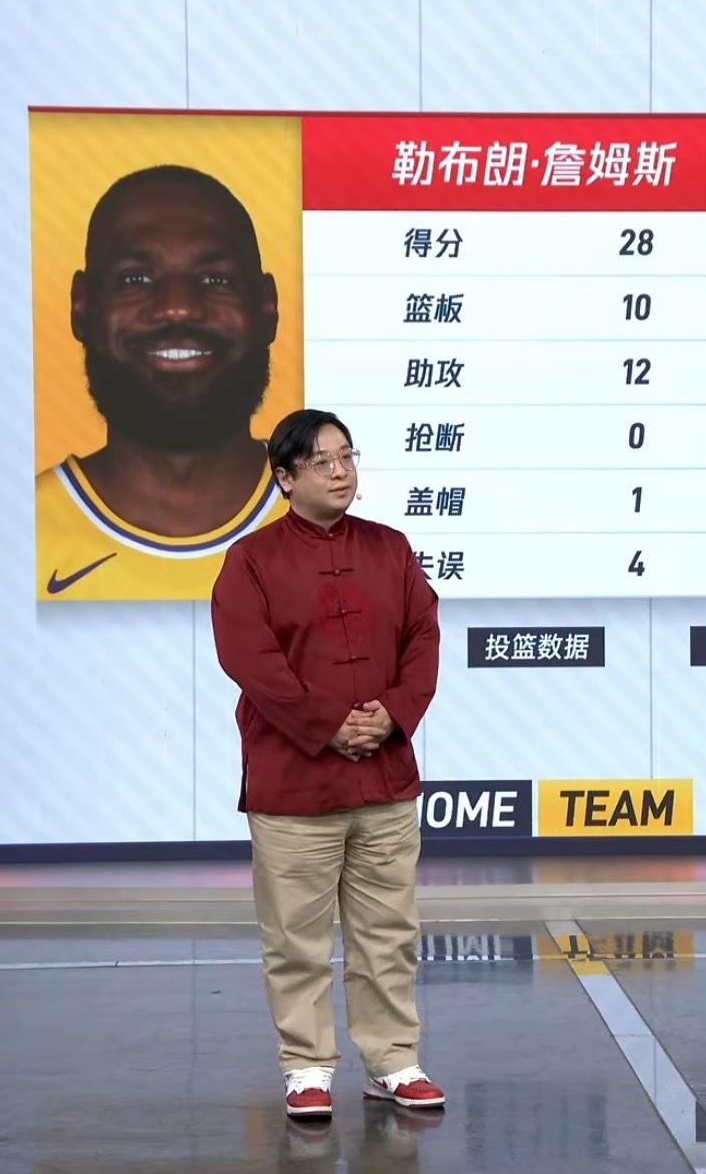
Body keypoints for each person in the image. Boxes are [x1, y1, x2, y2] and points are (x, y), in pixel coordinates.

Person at [210, 408, 446, 1120]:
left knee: (388, 933)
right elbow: (248, 659)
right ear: (285, 478)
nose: (340, 471)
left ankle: (393, 1061)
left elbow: (423, 639)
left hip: (384, 777)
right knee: (295, 939)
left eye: (347, 456)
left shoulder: (390, 547)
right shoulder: (251, 560)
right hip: (294, 783)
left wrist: (392, 713)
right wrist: (328, 724)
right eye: (321, 461)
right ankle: (306, 1065)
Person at [37, 164, 292, 601]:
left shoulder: (346, 526)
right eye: (135, 278)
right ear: (81, 307)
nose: (178, 308)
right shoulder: (14, 536)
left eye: (216, 279)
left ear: (268, 307)